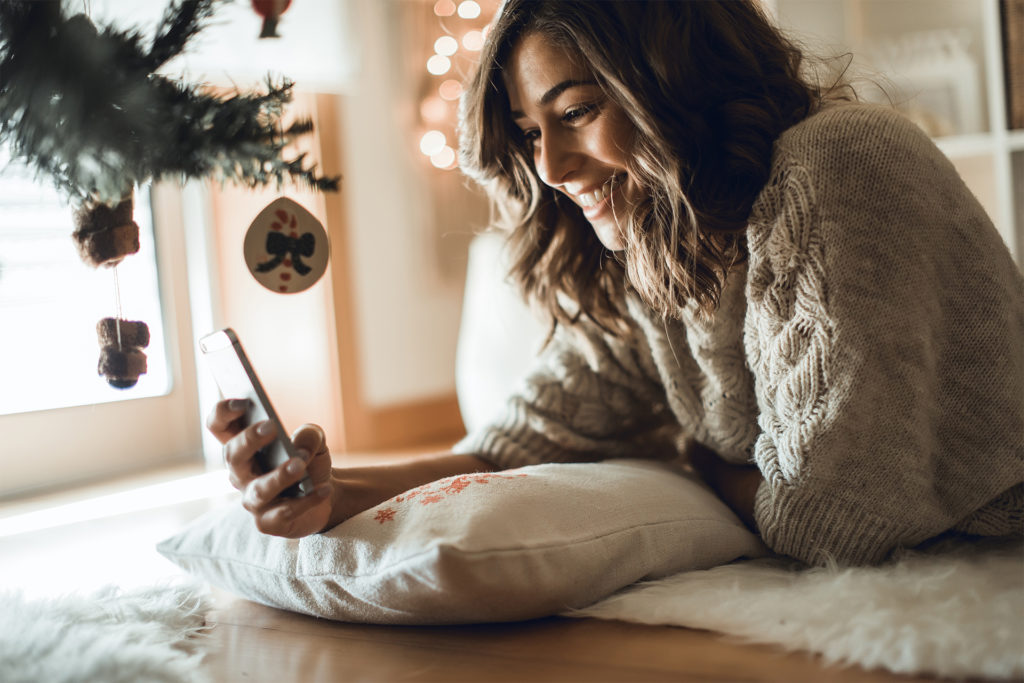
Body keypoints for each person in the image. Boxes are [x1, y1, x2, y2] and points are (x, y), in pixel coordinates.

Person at [207, 0, 1023, 566]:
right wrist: (334, 487)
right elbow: (513, 444)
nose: (553, 169)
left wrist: (686, 456)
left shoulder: (838, 161)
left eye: (575, 112)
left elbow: (824, 522)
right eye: (531, 133)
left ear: (674, 78)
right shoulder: (665, 244)